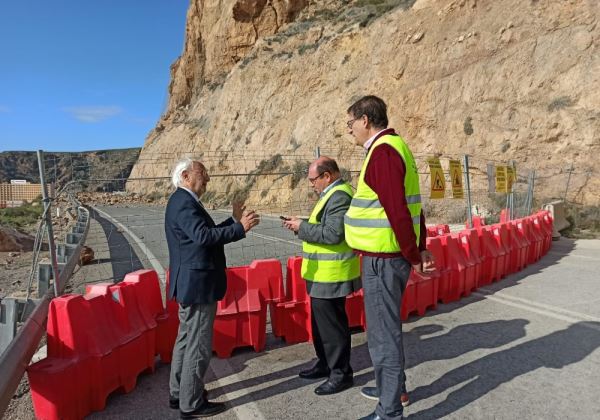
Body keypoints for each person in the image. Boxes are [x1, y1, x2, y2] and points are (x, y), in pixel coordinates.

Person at [343, 96, 434, 420]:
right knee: (386, 329)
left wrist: (413, 254)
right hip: (387, 255)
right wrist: (418, 247)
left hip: (383, 258)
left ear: (366, 120)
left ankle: (390, 410)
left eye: (350, 122)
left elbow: (398, 209)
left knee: (383, 336)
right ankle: (395, 389)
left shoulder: (382, 153)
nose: (349, 129)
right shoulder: (398, 147)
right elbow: (413, 206)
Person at [165, 158, 260, 419]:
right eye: (202, 172)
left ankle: (179, 393)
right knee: (198, 344)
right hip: (198, 285)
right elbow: (204, 237)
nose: (207, 177)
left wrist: (233, 221)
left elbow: (204, 234)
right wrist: (240, 228)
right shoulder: (184, 203)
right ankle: (191, 402)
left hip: (192, 283)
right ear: (185, 176)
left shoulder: (183, 202)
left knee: (186, 340)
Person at [282, 156, 361, 396]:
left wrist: (301, 227)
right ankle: (325, 363)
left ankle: (341, 373)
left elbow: (333, 234)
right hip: (322, 274)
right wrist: (302, 224)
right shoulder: (330, 195)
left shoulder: (339, 196)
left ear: (327, 176)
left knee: (332, 327)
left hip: (333, 273)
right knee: (321, 325)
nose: (311, 184)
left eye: (313, 180)